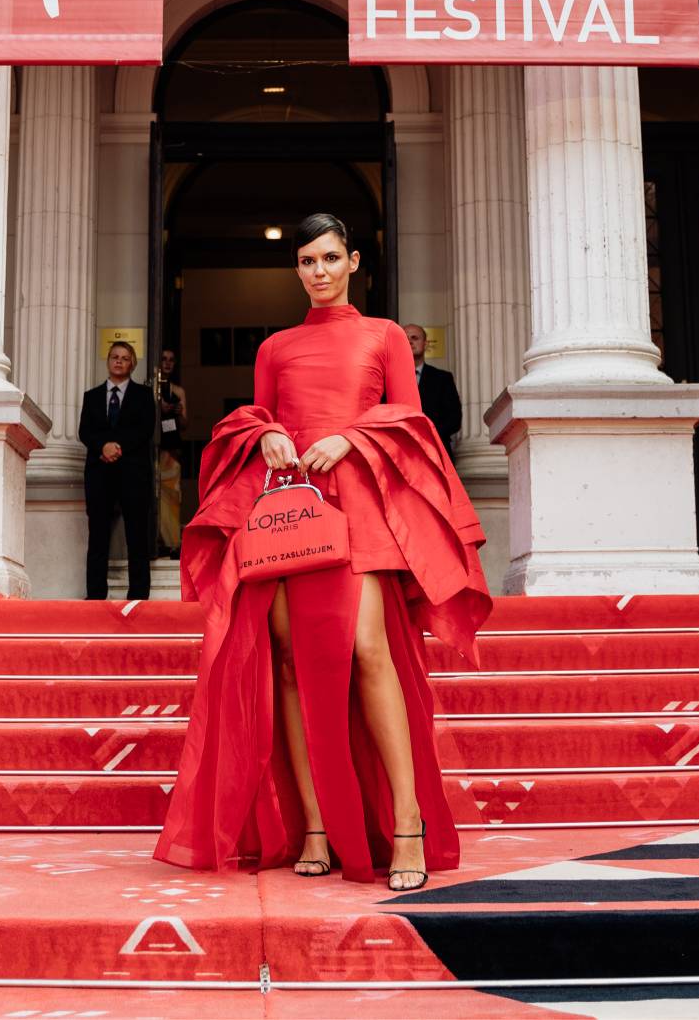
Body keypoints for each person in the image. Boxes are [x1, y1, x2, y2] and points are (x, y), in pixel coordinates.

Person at [155, 213, 491, 891]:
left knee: (371, 652)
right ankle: (314, 824)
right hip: (289, 506)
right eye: (307, 261)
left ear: (354, 261)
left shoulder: (386, 335)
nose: (317, 271)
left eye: (329, 257)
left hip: (360, 504)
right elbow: (258, 413)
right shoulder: (275, 346)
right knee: (285, 664)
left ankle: (406, 824)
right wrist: (269, 432)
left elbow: (414, 421)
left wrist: (353, 437)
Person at [79, 341, 156, 601]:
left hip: (133, 476)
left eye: (124, 357)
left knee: (136, 536)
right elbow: (85, 431)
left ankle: (138, 595)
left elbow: (145, 430)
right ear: (108, 361)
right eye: (114, 356)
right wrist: (103, 446)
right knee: (98, 536)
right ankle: (96, 595)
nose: (119, 361)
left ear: (132, 363)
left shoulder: (144, 396)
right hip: (100, 475)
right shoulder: (91, 396)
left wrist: (117, 447)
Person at [402, 322, 462, 454]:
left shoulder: (443, 378)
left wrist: (429, 435)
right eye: (405, 339)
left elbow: (454, 419)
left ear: (426, 344)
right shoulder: (389, 378)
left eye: (415, 338)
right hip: (401, 451)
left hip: (437, 449)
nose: (410, 342)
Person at [152, 348, 189, 558]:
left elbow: (185, 423)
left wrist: (175, 410)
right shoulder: (151, 388)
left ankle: (172, 543)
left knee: (172, 496)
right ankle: (155, 541)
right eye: (163, 359)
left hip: (171, 449)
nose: (167, 363)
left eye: (171, 360)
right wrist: (159, 408)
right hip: (151, 449)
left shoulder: (178, 391)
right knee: (152, 496)